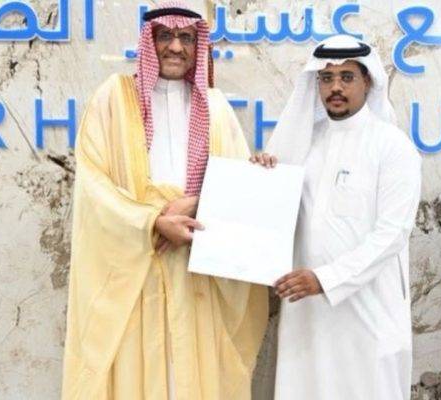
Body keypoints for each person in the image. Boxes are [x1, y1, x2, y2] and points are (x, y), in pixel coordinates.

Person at [61, 2, 267, 399]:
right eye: (165, 36)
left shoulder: (217, 108)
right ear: (148, 40)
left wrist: (233, 185)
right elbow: (94, 185)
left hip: (197, 278)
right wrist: (152, 221)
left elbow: (237, 193)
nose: (176, 47)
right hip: (136, 275)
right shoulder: (113, 98)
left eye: (186, 37)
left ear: (198, 44)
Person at [252, 35, 421, 400]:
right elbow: (274, 213)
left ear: (368, 81)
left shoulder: (393, 147)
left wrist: (326, 279)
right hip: (306, 315)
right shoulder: (302, 144)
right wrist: (262, 175)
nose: (336, 88)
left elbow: (392, 234)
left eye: (347, 77)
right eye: (326, 79)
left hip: (368, 312)